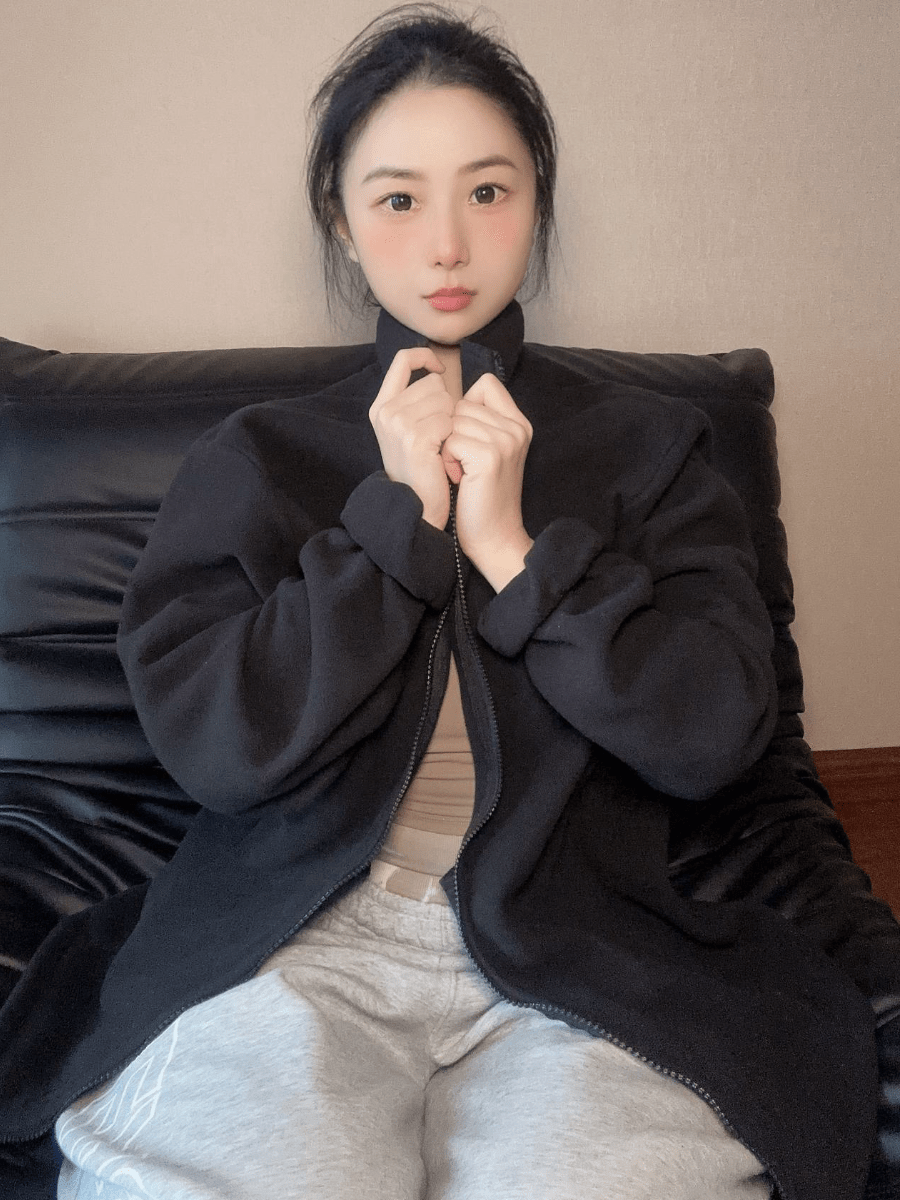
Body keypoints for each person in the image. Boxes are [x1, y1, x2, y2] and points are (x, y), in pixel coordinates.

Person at [0, 5, 879, 1199]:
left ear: (537, 202)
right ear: (343, 222)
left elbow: (713, 734)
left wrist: (517, 552)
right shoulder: (256, 456)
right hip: (289, 947)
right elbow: (217, 747)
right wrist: (394, 530)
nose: (449, 246)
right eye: (400, 199)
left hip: (586, 953)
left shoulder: (655, 447)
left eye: (490, 191)